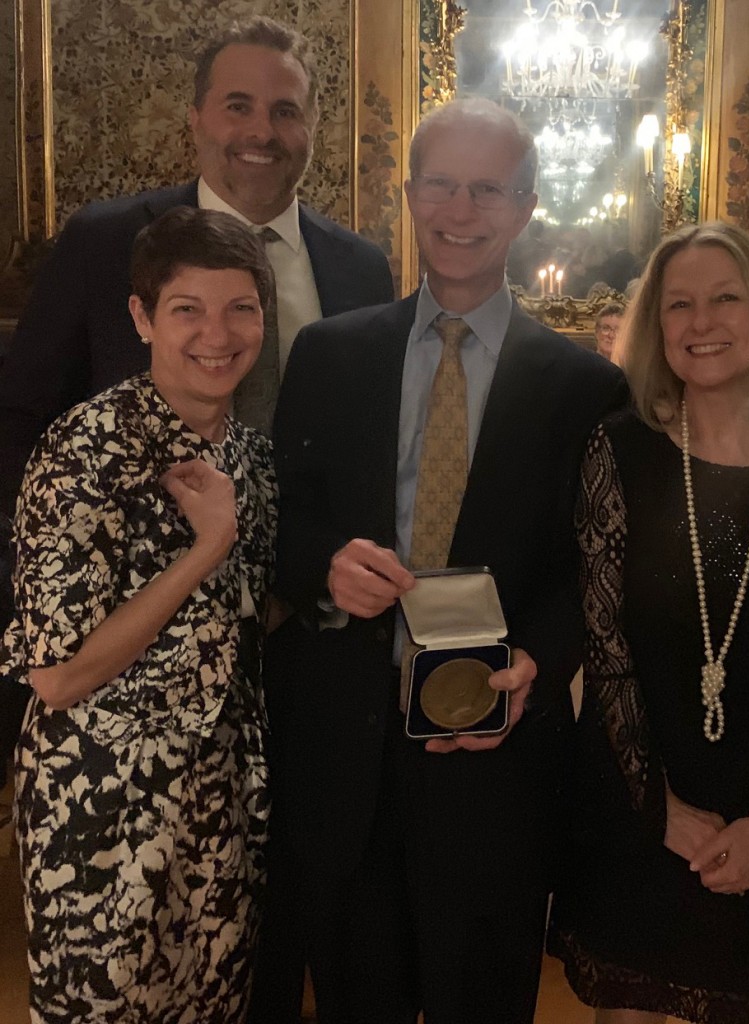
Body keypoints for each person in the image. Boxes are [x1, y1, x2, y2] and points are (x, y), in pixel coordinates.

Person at [255, 97, 627, 1024]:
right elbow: (280, 519)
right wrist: (320, 570)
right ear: (410, 192)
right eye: (443, 185)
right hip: (345, 757)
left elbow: (592, 567)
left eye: (488, 190)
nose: (462, 211)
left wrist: (539, 663)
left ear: (527, 207)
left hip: (495, 760)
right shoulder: (329, 354)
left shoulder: (585, 385)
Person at [0, 13, 393, 789]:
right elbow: (18, 418)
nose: (262, 130)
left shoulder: (359, 269)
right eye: (238, 105)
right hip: (123, 667)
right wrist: (47, 583)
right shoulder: (105, 241)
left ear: (312, 124)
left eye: (286, 109)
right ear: (196, 118)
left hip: (308, 636)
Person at [548, 221, 749, 1024]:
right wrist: (659, 809)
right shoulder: (620, 450)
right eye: (678, 304)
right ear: (655, 326)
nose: (700, 322)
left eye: (724, 299)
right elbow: (603, 648)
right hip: (635, 798)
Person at [1, 206, 277, 1023]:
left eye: (241, 308)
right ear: (141, 317)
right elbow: (57, 675)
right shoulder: (81, 456)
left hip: (220, 809)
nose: (216, 334)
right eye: (187, 308)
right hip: (103, 815)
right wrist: (206, 547)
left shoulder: (249, 454)